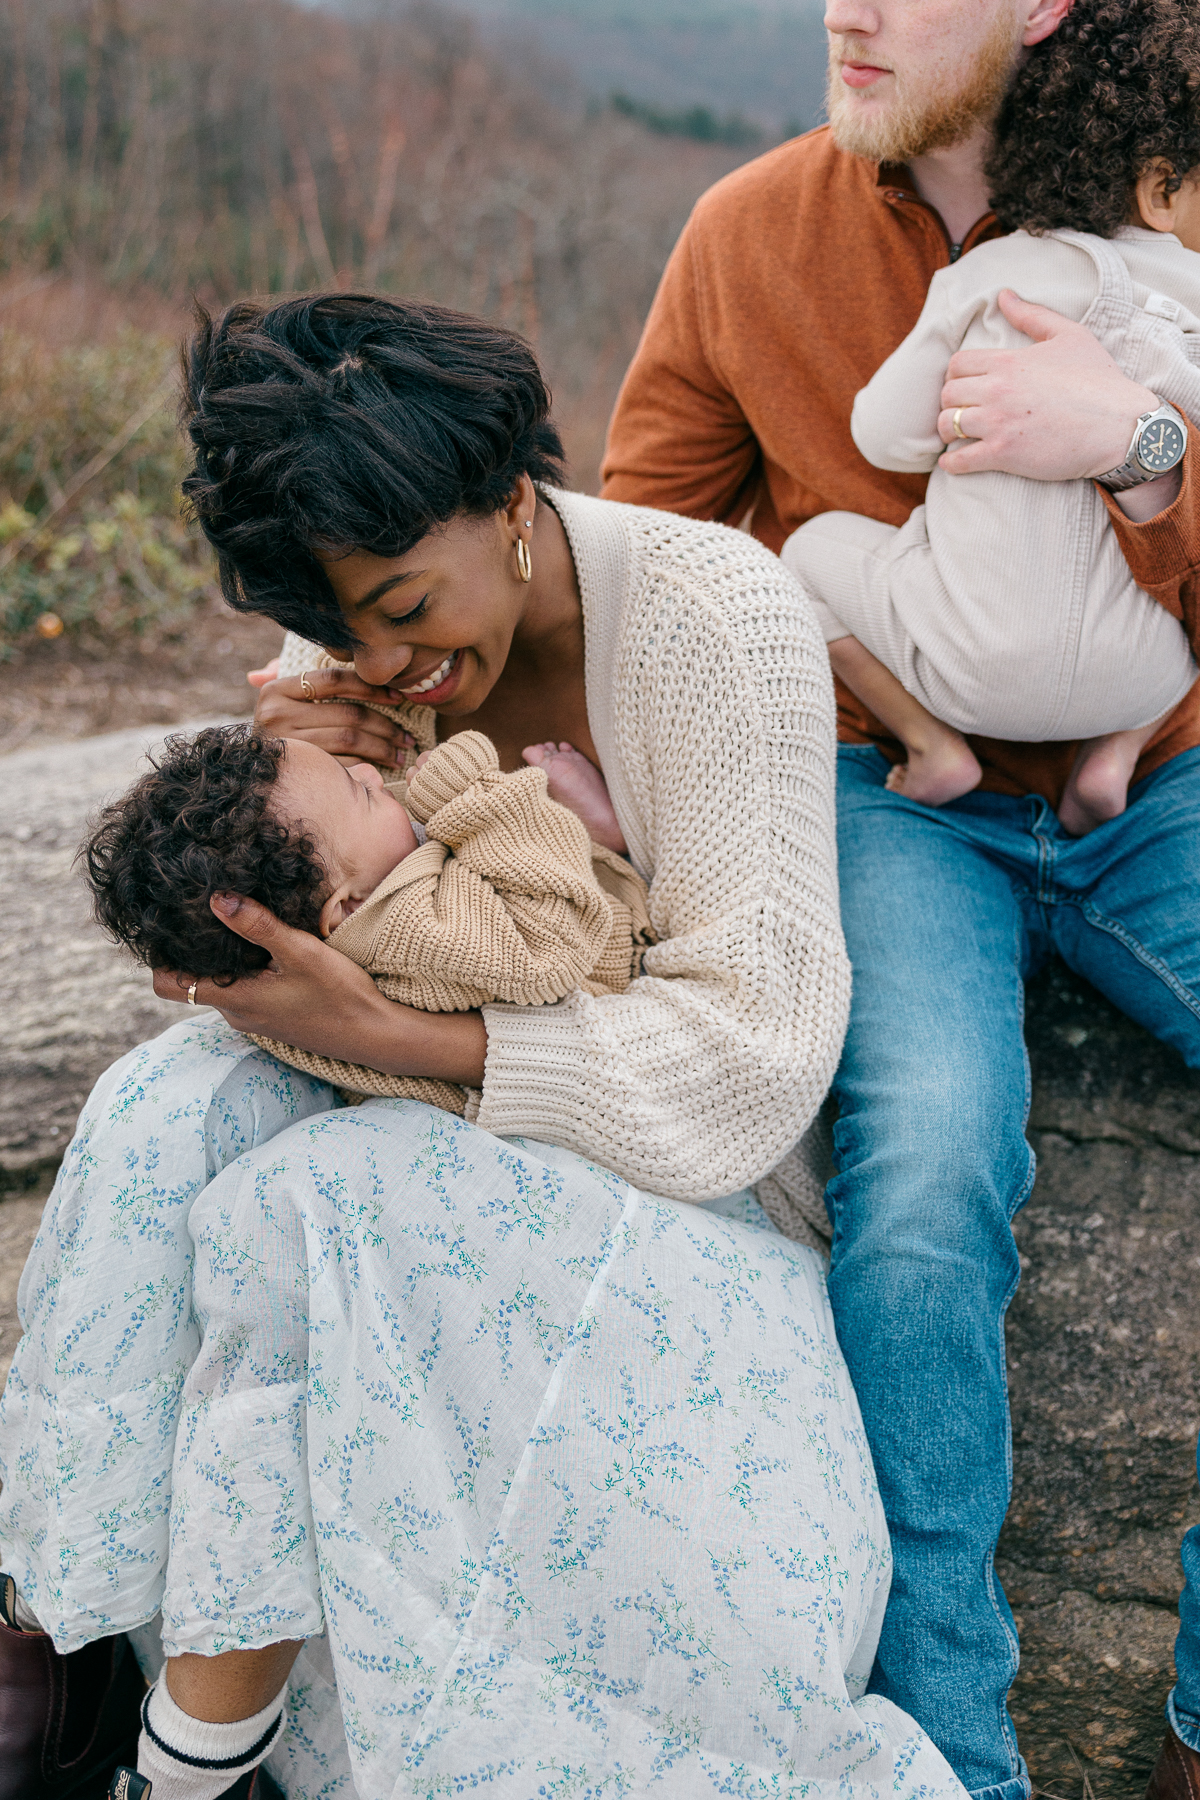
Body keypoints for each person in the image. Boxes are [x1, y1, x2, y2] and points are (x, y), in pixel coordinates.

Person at [0, 294, 964, 1800]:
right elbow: (310, 917)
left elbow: (753, 1059)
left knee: (325, 1188)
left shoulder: (719, 618)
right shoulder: (354, 651)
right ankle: (65, 1645)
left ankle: (219, 1739)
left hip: (683, 1192)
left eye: (402, 608)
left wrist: (386, 1029)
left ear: (513, 503)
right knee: (156, 1109)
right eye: (337, 623)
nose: (386, 658)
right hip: (436, 1119)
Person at [600, 1, 1200, 1797]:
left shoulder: (1177, 217)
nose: (848, 7)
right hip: (894, 803)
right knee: (927, 1170)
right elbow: (643, 551)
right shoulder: (750, 236)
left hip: (1166, 783)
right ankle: (950, 1752)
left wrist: (1146, 451)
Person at [782, 131, 1200, 833]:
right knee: (1186, 585)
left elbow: (883, 436)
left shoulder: (989, 275)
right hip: (1147, 684)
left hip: (972, 671)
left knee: (807, 552)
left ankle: (931, 746)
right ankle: (1112, 759)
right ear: (1163, 191)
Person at [83, 720, 652, 1113]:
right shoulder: (409, 927)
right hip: (615, 979)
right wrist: (476, 793)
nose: (374, 774)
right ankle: (604, 846)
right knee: (539, 863)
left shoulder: (292, 974)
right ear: (348, 907)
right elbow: (549, 950)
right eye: (361, 794)